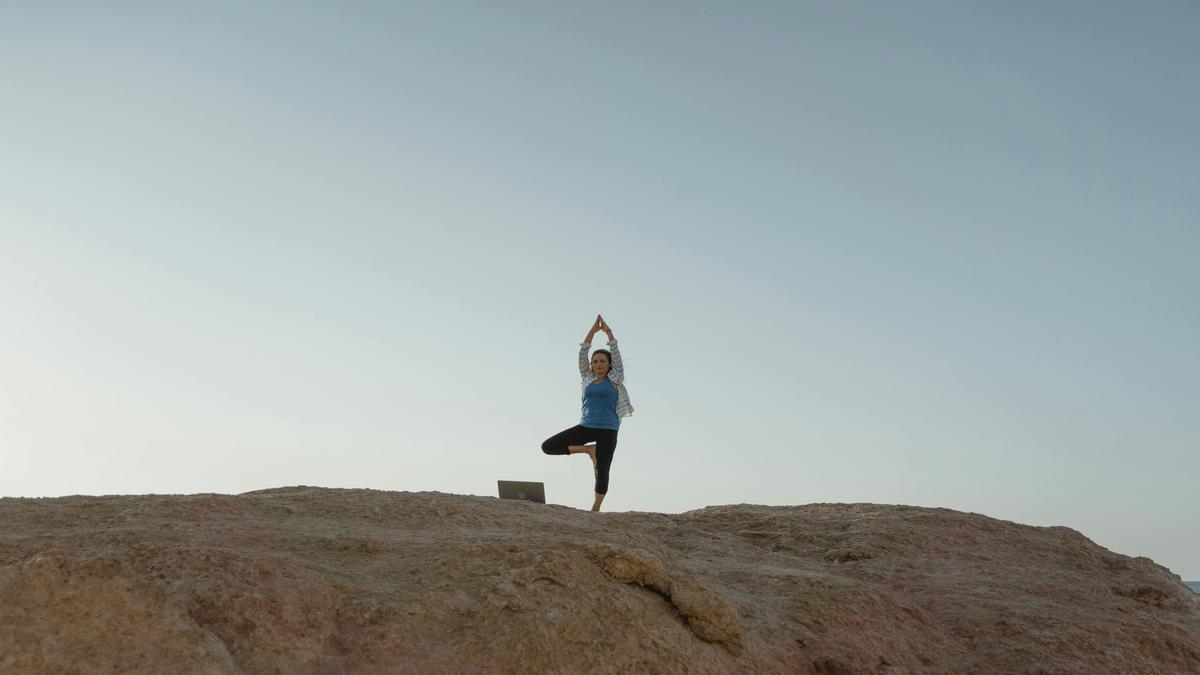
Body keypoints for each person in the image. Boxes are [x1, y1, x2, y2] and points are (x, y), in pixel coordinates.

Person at [540, 314, 634, 512]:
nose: (598, 364)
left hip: (608, 429)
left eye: (602, 361)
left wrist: (607, 332)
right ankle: (588, 450)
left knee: (602, 470)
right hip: (586, 425)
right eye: (595, 361)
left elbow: (614, 350)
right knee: (548, 446)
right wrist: (592, 330)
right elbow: (583, 351)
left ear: (609, 365)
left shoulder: (616, 378)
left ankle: (596, 508)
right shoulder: (587, 378)